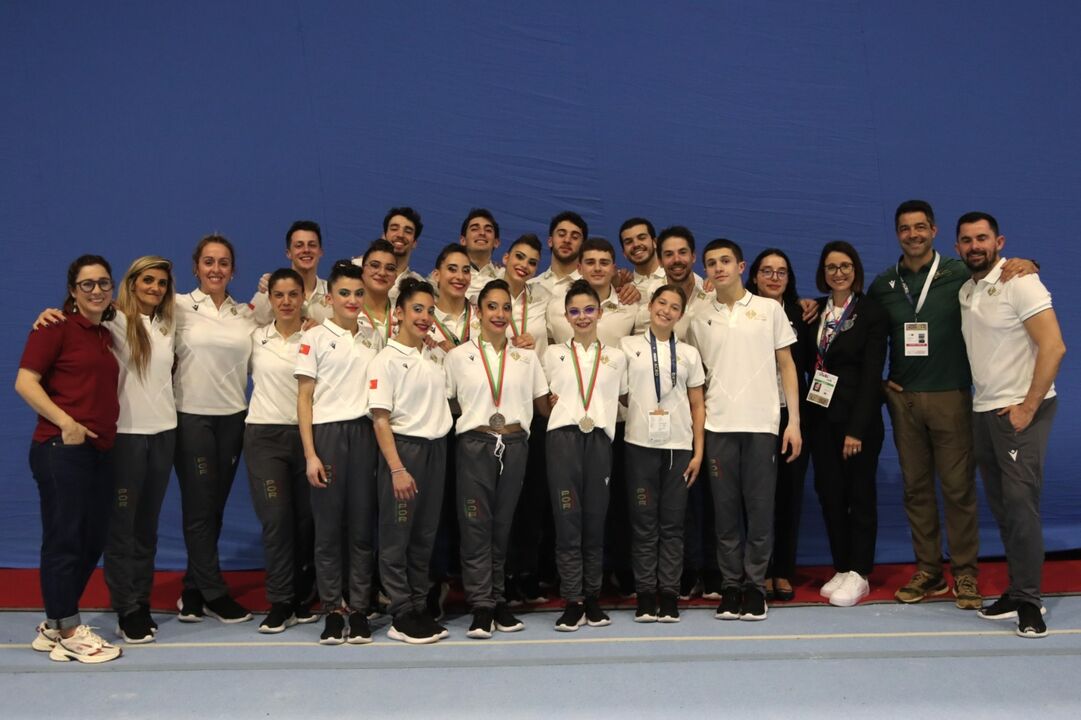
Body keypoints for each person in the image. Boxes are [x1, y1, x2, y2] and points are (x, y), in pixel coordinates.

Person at [867, 200, 1034, 608]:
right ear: (897, 234)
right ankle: (928, 571)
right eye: (905, 228)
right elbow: (862, 329)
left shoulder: (960, 271)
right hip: (904, 401)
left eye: (920, 227)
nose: (913, 235)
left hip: (952, 396)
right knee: (916, 489)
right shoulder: (885, 284)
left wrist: (1028, 263)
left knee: (959, 490)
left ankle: (965, 574)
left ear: (935, 231)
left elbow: (1002, 272)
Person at [955, 212, 1066, 638]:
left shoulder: (1021, 281)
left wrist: (1027, 407)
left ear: (999, 242)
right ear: (958, 247)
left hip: (1020, 412)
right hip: (985, 411)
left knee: (1021, 508)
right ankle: (1018, 590)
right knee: (1004, 509)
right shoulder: (968, 289)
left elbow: (1053, 346)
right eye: (966, 240)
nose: (974, 246)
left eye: (981, 238)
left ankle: (1030, 602)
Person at [687, 239, 801, 623]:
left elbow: (787, 366)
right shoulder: (699, 316)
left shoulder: (768, 310)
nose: (718, 268)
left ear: (741, 266)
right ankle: (731, 586)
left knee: (760, 510)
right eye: (711, 263)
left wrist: (794, 423)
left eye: (725, 261)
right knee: (725, 514)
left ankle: (755, 587)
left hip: (761, 426)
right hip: (718, 425)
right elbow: (693, 377)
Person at [17, 255, 122, 663]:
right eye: (87, 284)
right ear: (72, 290)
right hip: (61, 451)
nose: (96, 290)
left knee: (92, 539)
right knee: (65, 539)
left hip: (97, 452)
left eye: (103, 283)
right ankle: (69, 628)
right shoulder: (54, 326)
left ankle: (55, 622)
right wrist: (66, 422)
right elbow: (24, 382)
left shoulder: (104, 333)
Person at [445, 279, 549, 638]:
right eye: (492, 307)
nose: (500, 314)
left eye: (506, 307)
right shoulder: (458, 357)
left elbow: (543, 404)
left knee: (503, 525)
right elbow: (449, 403)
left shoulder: (526, 357)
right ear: (478, 311)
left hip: (516, 444)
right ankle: (480, 605)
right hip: (475, 445)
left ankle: (499, 599)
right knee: (476, 526)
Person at [296, 261, 382, 645]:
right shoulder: (313, 338)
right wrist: (311, 454)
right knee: (329, 531)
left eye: (358, 293)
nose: (352, 300)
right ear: (329, 299)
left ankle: (359, 609)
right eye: (344, 293)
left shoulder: (372, 336)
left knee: (362, 528)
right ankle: (332, 609)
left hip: (364, 435)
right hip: (328, 435)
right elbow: (304, 399)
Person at [173, 235, 256, 623]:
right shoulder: (176, 307)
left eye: (224, 262)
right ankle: (214, 592)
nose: (216, 269)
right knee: (200, 505)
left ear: (232, 270)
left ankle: (192, 588)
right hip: (192, 417)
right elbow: (122, 315)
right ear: (195, 267)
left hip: (233, 418)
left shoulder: (245, 315)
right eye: (208, 261)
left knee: (214, 507)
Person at [367, 278, 454, 644]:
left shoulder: (435, 357)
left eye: (430, 311)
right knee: (396, 538)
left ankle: (419, 605)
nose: (424, 317)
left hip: (437, 450)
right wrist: (397, 468)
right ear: (398, 313)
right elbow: (380, 418)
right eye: (417, 309)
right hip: (405, 451)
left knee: (424, 537)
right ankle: (400, 611)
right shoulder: (384, 360)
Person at [802, 242, 889, 607]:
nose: (838, 272)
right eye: (831, 266)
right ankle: (841, 565)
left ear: (856, 269)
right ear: (823, 272)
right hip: (821, 417)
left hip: (859, 421)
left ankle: (860, 571)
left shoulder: (871, 312)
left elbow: (872, 376)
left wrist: (856, 429)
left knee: (859, 495)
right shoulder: (814, 311)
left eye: (845, 265)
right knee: (829, 493)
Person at [540, 280, 628, 631]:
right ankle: (572, 598)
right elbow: (542, 399)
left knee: (595, 520)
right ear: (566, 316)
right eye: (574, 311)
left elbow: (622, 398)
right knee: (567, 521)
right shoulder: (553, 354)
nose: (582, 316)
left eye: (588, 309)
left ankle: (592, 596)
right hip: (563, 440)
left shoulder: (617, 357)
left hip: (600, 441)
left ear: (600, 313)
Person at [620, 285, 705, 622]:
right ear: (650, 305)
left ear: (680, 315)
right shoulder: (627, 347)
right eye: (661, 303)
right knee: (643, 525)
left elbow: (697, 404)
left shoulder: (689, 354)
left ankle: (668, 594)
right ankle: (644, 594)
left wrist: (699, 453)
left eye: (674, 307)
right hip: (639, 445)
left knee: (672, 525)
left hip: (679, 447)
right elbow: (617, 391)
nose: (666, 311)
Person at [246, 269, 317, 634]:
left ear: (303, 296)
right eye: (279, 295)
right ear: (269, 299)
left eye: (293, 294)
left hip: (307, 437)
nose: (286, 301)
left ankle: (303, 596)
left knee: (306, 522)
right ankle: (280, 600)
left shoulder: (318, 337)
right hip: (264, 439)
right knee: (276, 521)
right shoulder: (256, 337)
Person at [746, 248, 815, 603]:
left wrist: (797, 422)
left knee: (788, 497)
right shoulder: (741, 313)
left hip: (791, 418)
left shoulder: (801, 315)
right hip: (752, 417)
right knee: (754, 500)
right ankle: (756, 570)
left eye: (781, 272)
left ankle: (782, 571)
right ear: (754, 276)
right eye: (767, 271)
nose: (774, 278)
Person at [251, 220, 331, 325]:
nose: (306, 250)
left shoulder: (334, 294)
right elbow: (250, 334)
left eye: (312, 245)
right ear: (288, 253)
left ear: (320, 252)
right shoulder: (267, 293)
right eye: (299, 245)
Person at [355, 207, 426, 304]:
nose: (400, 235)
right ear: (384, 236)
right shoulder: (356, 269)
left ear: (414, 242)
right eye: (394, 229)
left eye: (408, 231)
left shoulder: (418, 284)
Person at [356, 239, 399, 344]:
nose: (382, 273)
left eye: (390, 268)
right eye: (375, 265)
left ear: (395, 277)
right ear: (362, 271)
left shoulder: (403, 315)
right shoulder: (348, 310)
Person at [459, 208, 503, 302]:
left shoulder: (505, 277)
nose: (482, 233)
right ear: (463, 240)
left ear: (496, 242)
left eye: (488, 230)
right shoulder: (448, 276)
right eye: (475, 229)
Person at [618, 217, 665, 300]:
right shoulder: (624, 290)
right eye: (628, 242)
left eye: (642, 238)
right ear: (624, 253)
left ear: (655, 242)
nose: (636, 244)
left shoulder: (677, 278)